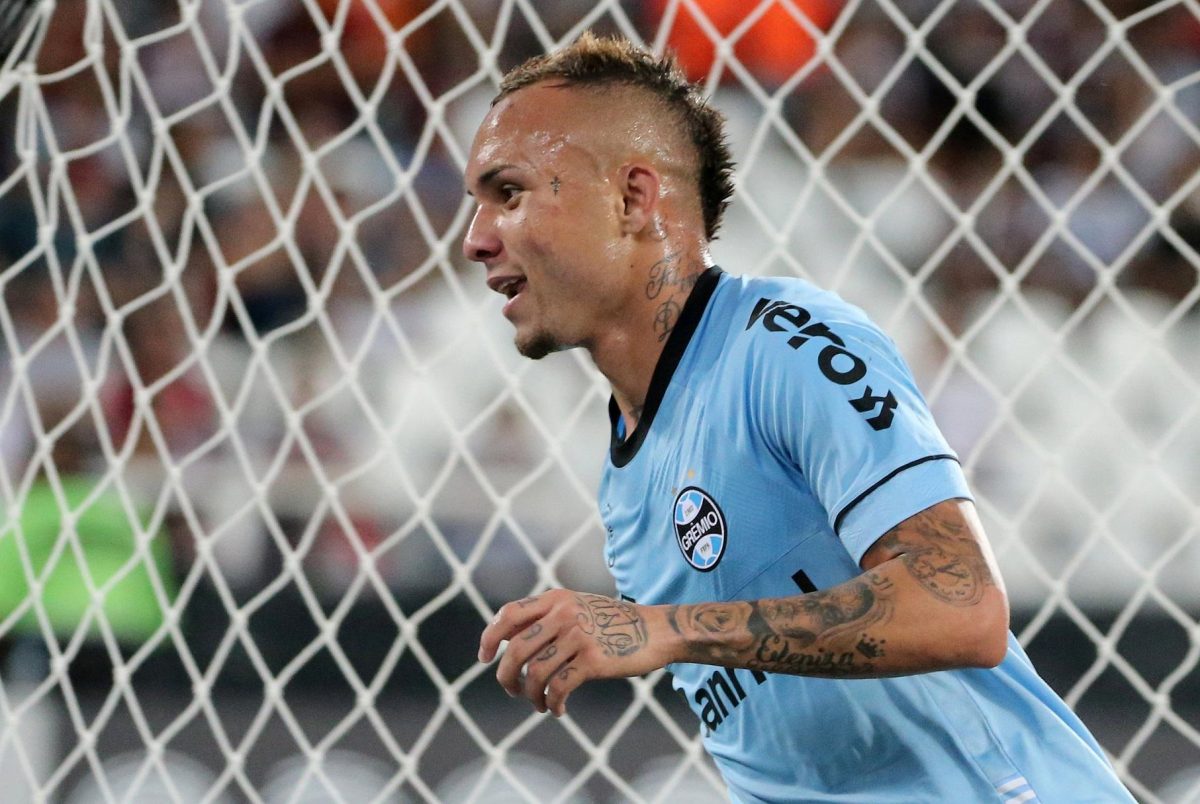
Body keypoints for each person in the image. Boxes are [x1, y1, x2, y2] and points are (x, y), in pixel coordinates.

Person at [466, 32, 1133, 802]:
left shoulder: (785, 343)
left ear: (634, 199)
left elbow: (960, 608)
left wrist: (662, 628)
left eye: (508, 193)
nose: (476, 240)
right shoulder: (626, 487)